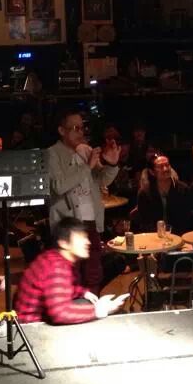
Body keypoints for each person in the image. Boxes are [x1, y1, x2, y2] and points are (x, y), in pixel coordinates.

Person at [45, 109, 120, 294]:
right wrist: (87, 167)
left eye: (82, 127)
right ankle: (72, 307)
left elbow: (102, 180)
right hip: (68, 223)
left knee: (93, 273)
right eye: (75, 128)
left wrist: (111, 164)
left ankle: (91, 305)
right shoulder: (52, 154)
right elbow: (59, 186)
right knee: (71, 275)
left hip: (91, 221)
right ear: (62, 131)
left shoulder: (85, 150)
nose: (81, 132)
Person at [15, 218, 126, 324]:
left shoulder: (54, 257)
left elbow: (61, 287)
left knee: (87, 303)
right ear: (64, 243)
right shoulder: (57, 268)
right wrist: (100, 310)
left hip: (34, 318)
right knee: (108, 317)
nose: (87, 242)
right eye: (81, 238)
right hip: (33, 326)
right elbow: (59, 313)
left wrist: (83, 293)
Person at [134, 154, 193, 234]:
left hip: (179, 234)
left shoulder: (183, 189)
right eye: (160, 166)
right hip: (153, 236)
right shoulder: (145, 192)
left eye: (167, 165)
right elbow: (145, 221)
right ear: (152, 172)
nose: (165, 169)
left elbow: (186, 217)